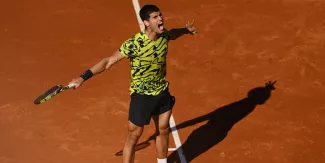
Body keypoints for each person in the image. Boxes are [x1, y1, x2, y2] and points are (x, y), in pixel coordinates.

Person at [68, 4, 197, 163]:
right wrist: (83, 77)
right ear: (146, 23)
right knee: (134, 135)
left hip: (161, 92)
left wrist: (186, 30)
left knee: (163, 129)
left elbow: (174, 34)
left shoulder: (164, 36)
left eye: (160, 15)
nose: (161, 18)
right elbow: (108, 61)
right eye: (155, 17)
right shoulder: (135, 44)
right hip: (142, 96)